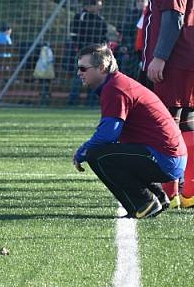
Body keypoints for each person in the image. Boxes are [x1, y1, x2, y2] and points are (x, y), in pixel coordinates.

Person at [72, 44, 186, 219]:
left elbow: (108, 134)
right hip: (168, 157)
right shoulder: (115, 84)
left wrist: (82, 151)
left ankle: (144, 203)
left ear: (102, 68)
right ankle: (158, 197)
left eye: (83, 68)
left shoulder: (115, 88)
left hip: (165, 159)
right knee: (109, 151)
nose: (79, 72)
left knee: (96, 154)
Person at [142, 0, 194, 209]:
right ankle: (187, 194)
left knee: (167, 126)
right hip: (186, 60)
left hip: (175, 62)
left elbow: (173, 16)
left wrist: (159, 57)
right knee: (186, 125)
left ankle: (171, 192)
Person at [67, 0, 107, 106]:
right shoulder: (80, 17)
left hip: (96, 54)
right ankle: (72, 101)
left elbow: (104, 34)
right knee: (79, 76)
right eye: (98, 4)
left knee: (94, 77)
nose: (100, 7)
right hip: (83, 53)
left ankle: (91, 102)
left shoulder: (100, 18)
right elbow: (74, 34)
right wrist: (79, 49)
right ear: (90, 6)